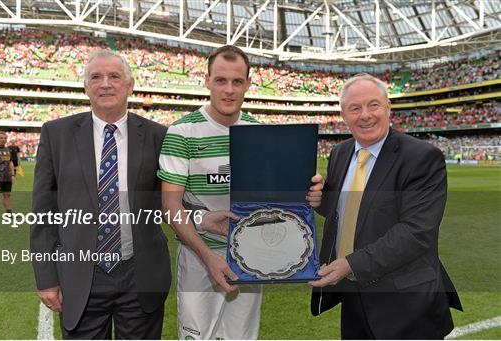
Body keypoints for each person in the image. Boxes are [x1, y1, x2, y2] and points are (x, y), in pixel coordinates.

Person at [158, 45, 323, 339]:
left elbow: (273, 203)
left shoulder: (257, 132)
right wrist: (208, 256)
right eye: (221, 80)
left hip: (250, 256)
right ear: (207, 80)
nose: (229, 90)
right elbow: (170, 205)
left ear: (248, 83)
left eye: (237, 81)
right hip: (199, 256)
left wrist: (307, 191)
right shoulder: (182, 133)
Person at [309, 73, 462, 339]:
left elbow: (415, 233)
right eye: (355, 108)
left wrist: (351, 264)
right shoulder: (340, 153)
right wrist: (322, 198)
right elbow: (348, 210)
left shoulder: (422, 157)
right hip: (354, 297)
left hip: (406, 303)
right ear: (343, 115)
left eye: (373, 105)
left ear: (388, 108)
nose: (365, 115)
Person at [30, 49, 171, 339]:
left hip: (140, 274)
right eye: (96, 77)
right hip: (81, 275)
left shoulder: (158, 135)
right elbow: (43, 214)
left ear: (130, 85)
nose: (105, 84)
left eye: (114, 76)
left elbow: (172, 201)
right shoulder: (56, 134)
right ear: (86, 86)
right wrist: (46, 278)